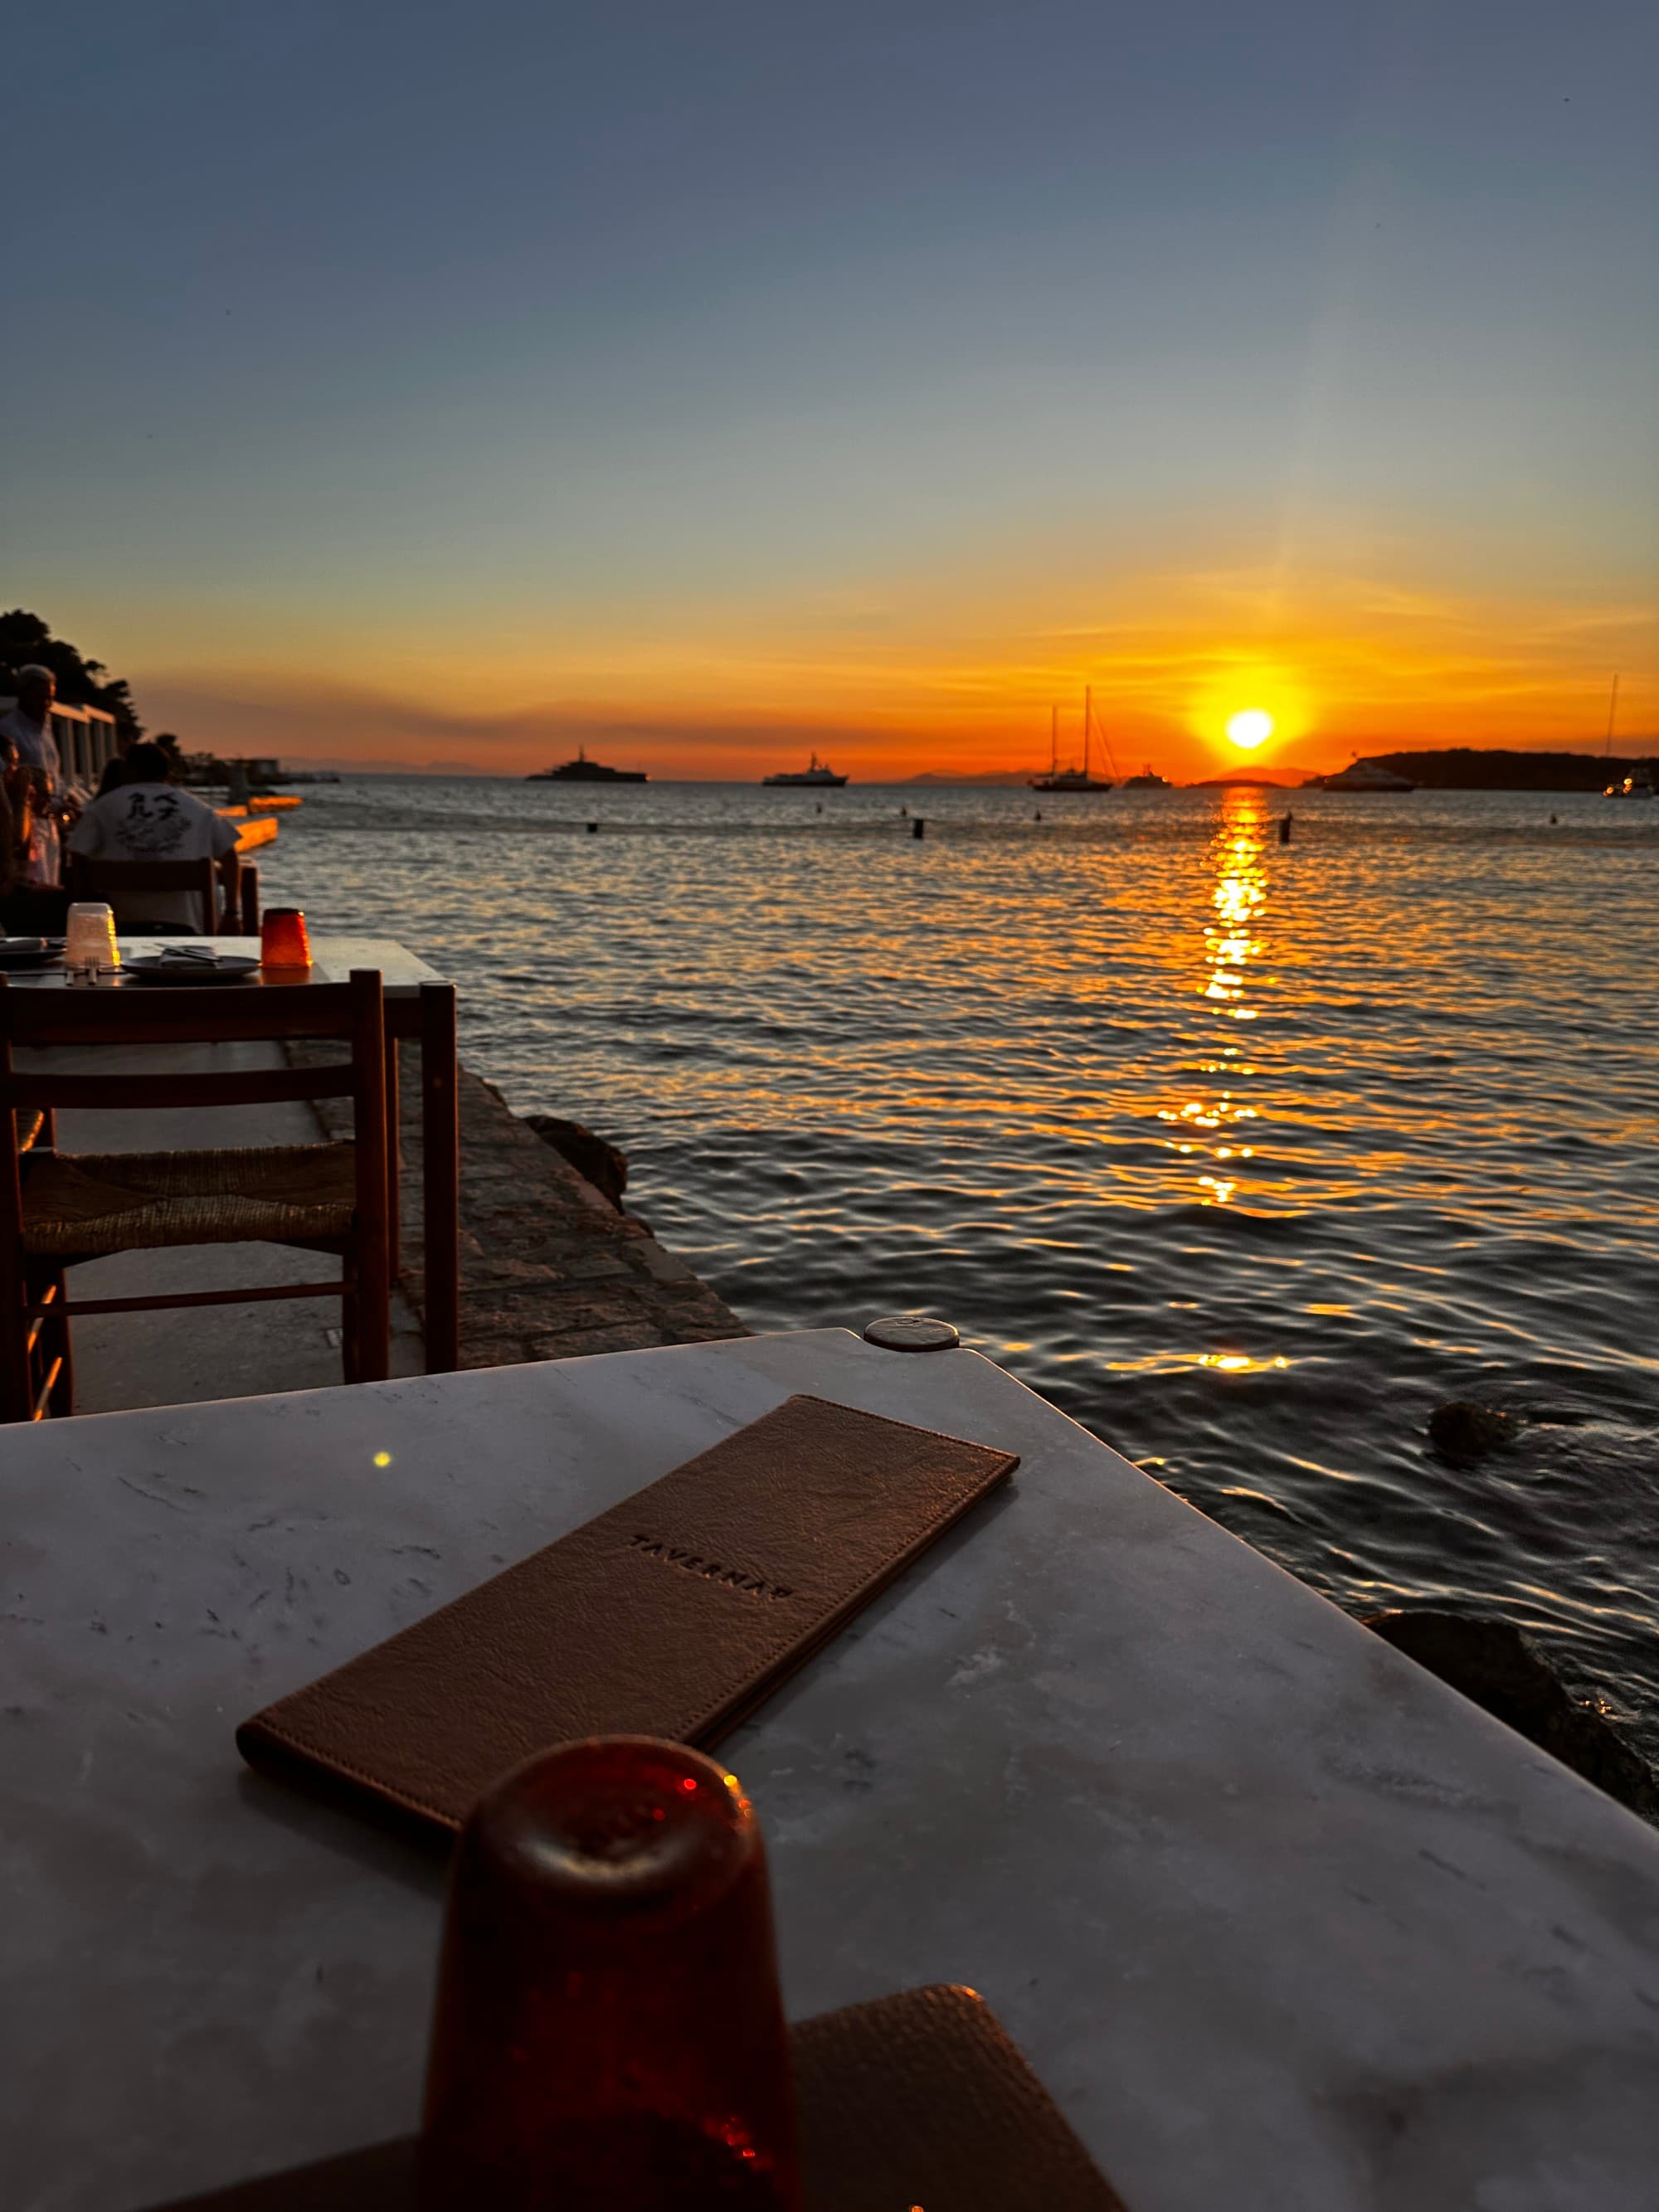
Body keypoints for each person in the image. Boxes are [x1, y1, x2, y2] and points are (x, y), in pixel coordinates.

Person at [66, 741, 241, 931]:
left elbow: (77, 854)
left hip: (120, 927)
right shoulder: (199, 810)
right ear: (166, 772)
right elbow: (230, 857)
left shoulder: (102, 807)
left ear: (126, 770)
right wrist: (231, 912)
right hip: (190, 927)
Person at [0, 664, 74, 886]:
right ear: (22, 694)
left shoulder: (47, 730)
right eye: (40, 697)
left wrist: (65, 799)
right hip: (26, 827)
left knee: (50, 886)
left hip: (49, 824)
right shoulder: (7, 730)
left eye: (50, 698)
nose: (46, 704)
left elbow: (54, 776)